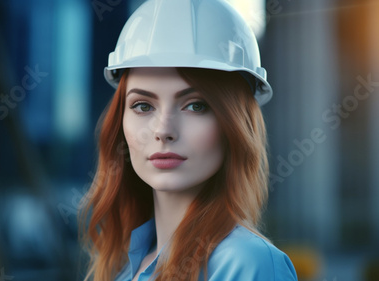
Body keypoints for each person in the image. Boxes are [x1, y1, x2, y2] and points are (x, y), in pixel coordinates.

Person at [79, 0, 298, 280]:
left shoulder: (248, 264)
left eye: (195, 105)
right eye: (143, 106)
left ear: (235, 124)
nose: (163, 130)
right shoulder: (123, 266)